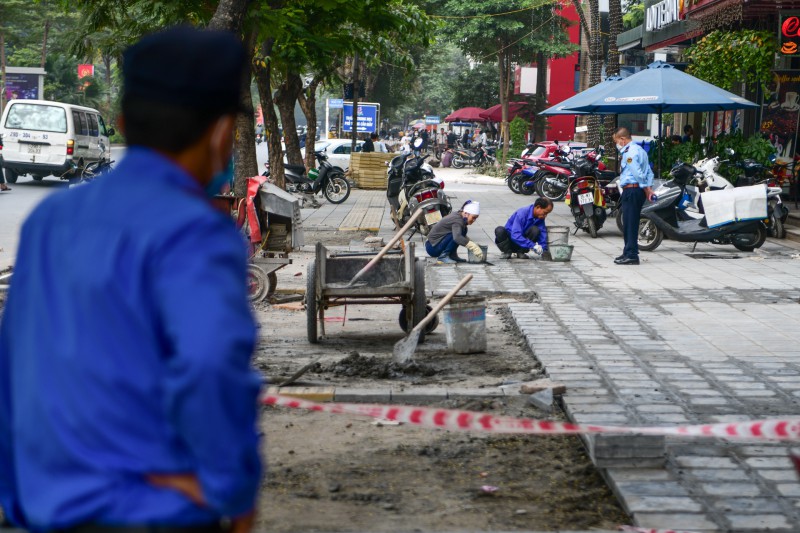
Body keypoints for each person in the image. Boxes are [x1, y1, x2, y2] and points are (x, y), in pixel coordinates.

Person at [0, 27, 261, 533]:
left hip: (38, 504)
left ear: (122, 123)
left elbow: (14, 360)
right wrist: (230, 488)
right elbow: (210, 367)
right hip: (145, 511)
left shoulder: (50, 220)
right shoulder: (196, 231)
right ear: (221, 133)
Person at [613, 126, 654, 265]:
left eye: (617, 141)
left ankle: (631, 255)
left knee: (630, 223)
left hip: (632, 190)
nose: (617, 144)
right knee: (631, 222)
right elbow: (649, 171)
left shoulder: (629, 153)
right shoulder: (640, 150)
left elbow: (638, 173)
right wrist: (648, 188)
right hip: (637, 190)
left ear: (623, 139)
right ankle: (627, 251)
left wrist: (646, 188)